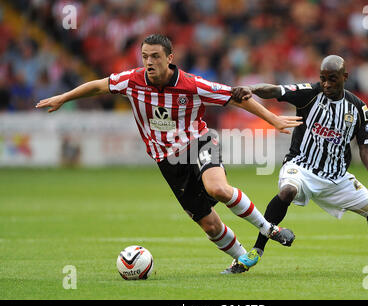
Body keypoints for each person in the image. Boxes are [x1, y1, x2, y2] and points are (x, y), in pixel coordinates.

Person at [35, 34, 302, 274]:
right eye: (145, 56)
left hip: (199, 143)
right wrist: (63, 97)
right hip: (168, 161)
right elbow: (97, 86)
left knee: (218, 188)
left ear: (169, 58)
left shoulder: (191, 84)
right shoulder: (131, 81)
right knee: (210, 226)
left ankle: (268, 228)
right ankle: (242, 259)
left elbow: (235, 97)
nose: (149, 62)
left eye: (155, 56)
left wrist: (272, 119)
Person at [231, 55, 368, 274]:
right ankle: (256, 251)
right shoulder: (310, 94)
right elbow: (275, 90)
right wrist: (251, 88)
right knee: (288, 191)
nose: (327, 84)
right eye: (323, 78)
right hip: (301, 166)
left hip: (336, 177)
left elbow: (366, 144)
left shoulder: (358, 108)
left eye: (332, 79)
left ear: (345, 77)